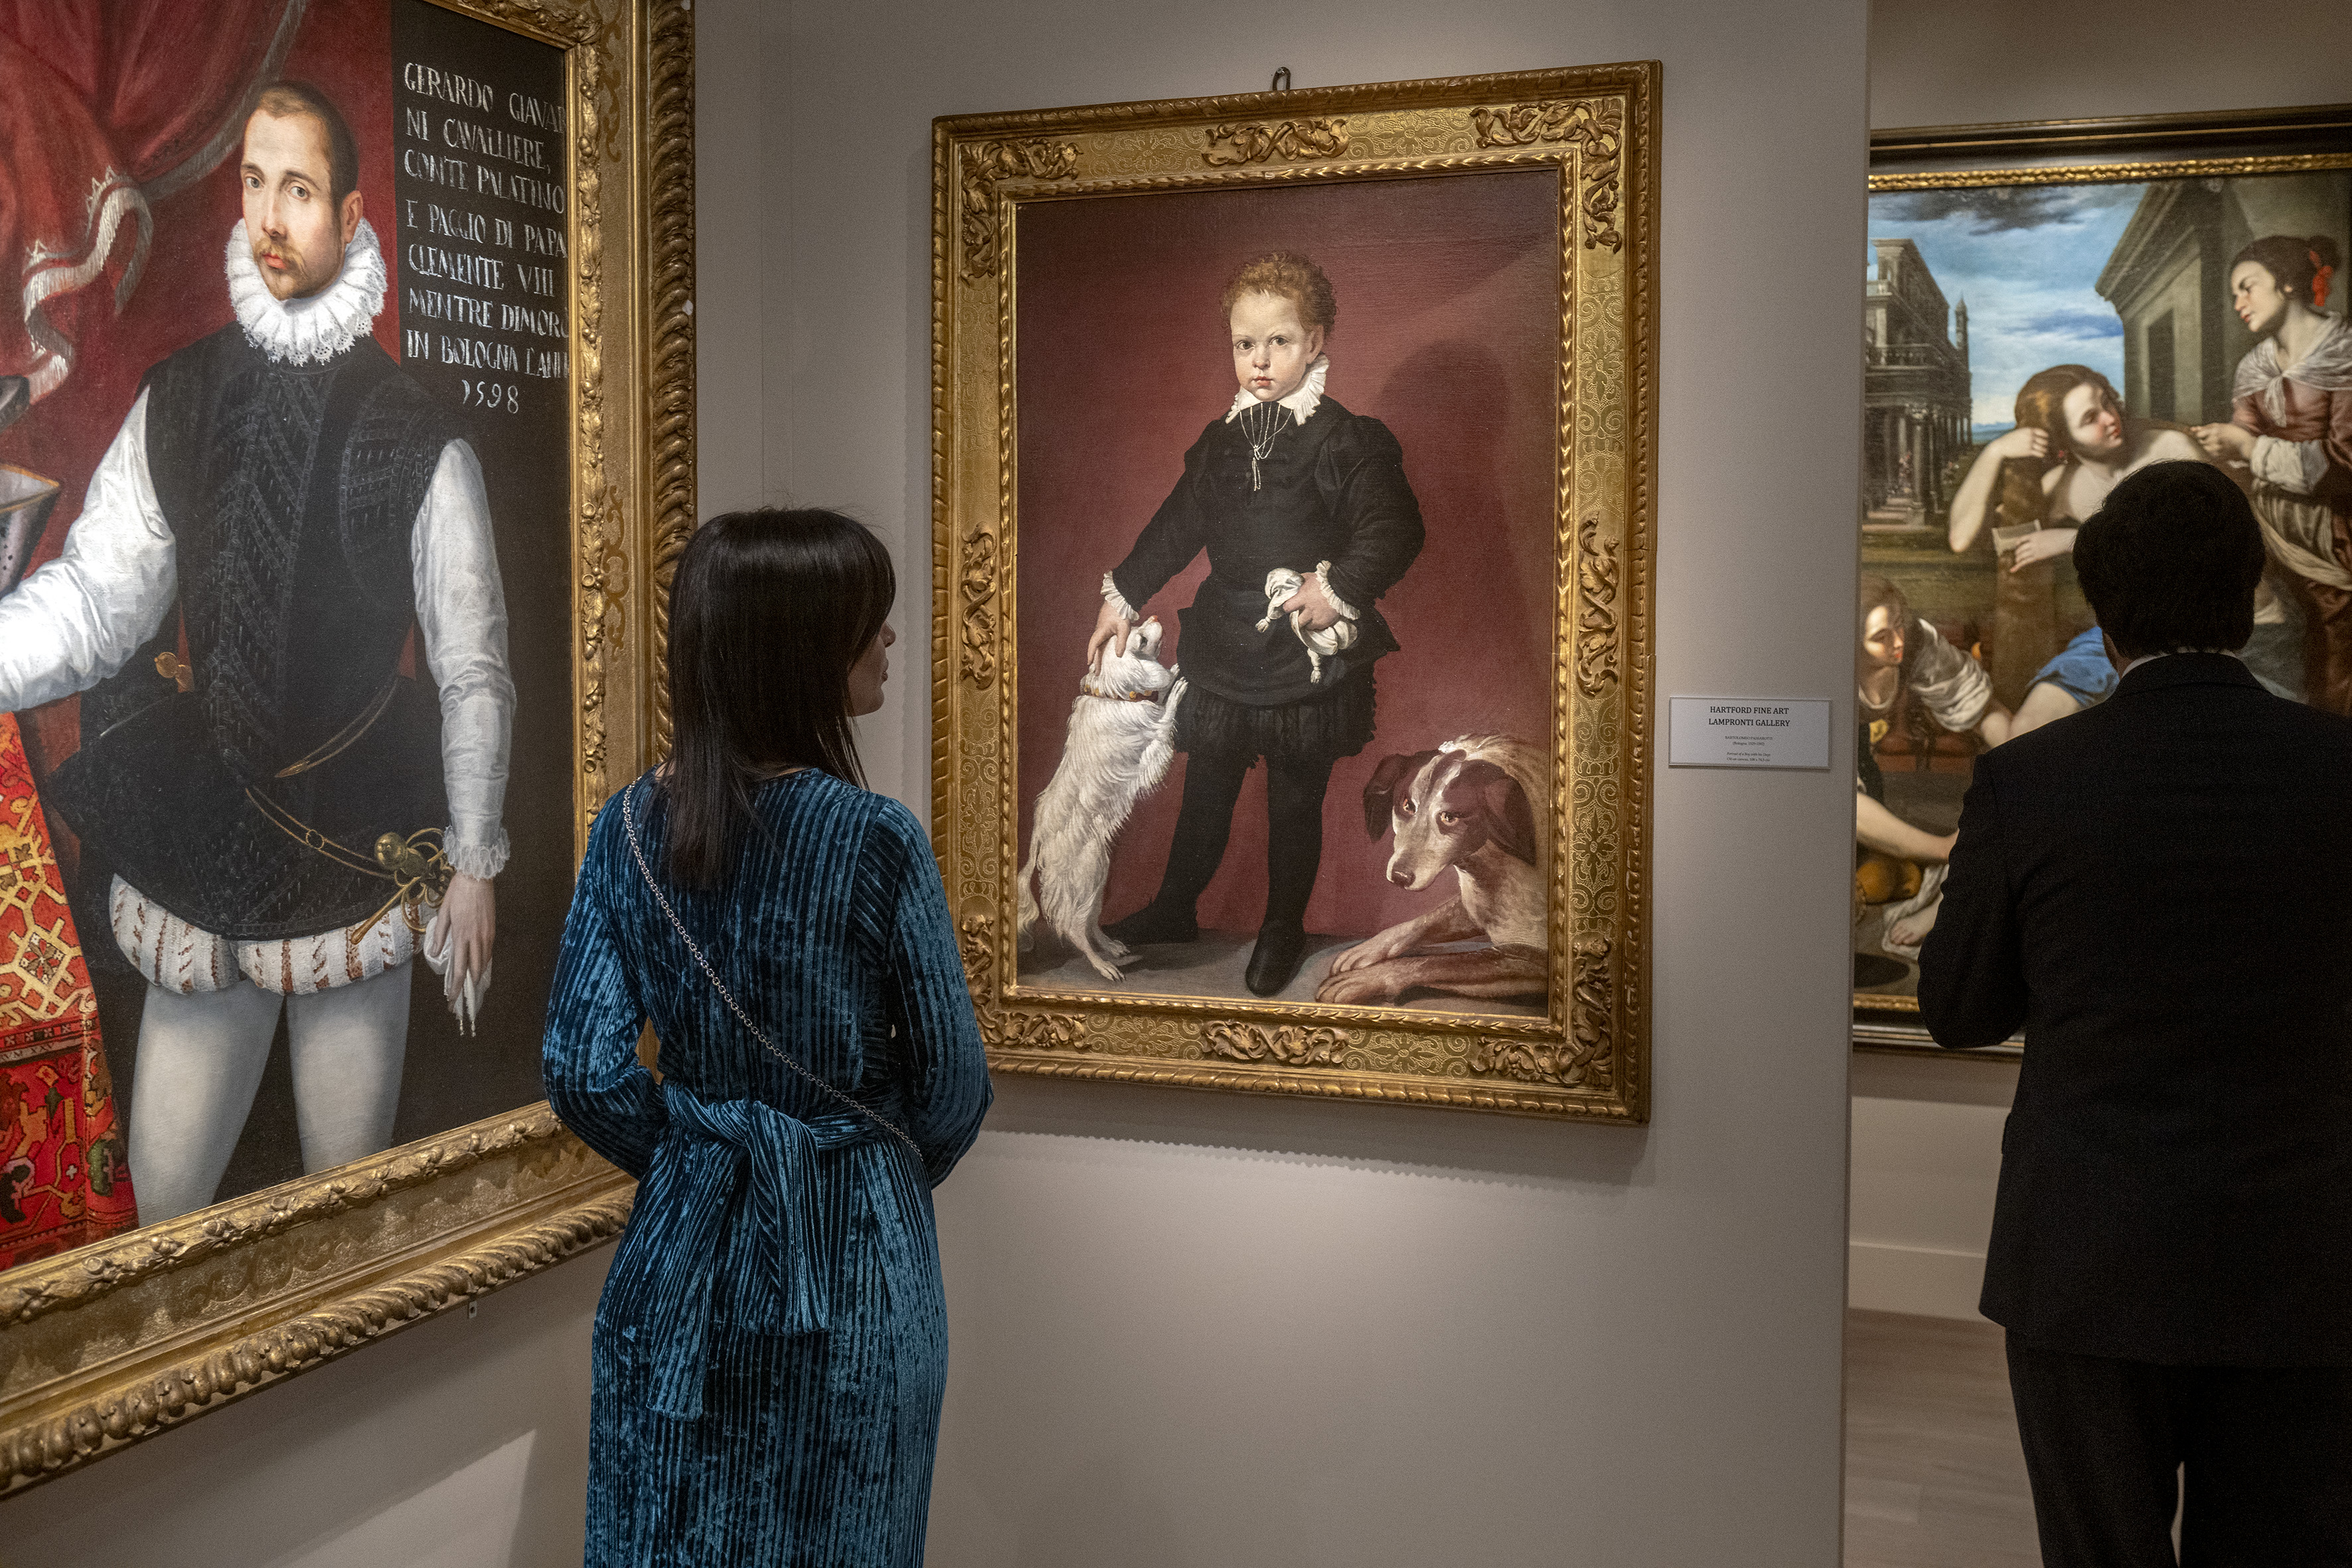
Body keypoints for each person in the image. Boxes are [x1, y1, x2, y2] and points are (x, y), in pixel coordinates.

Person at [0, 82, 509, 1223]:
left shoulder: (416, 431)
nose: (270, 218)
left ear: (351, 212)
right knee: (165, 1219)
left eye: (299, 191)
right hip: (211, 829)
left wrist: (476, 860)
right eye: (254, 183)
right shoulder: (180, 394)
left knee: (345, 1213)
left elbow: (473, 667)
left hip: (355, 837)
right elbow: (94, 604)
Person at [1919, 460, 2352, 1563]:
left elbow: (1958, 1007)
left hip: (2087, 1253)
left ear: (2101, 614)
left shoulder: (2029, 782)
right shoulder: (2336, 769)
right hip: (2303, 1248)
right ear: (2245, 594)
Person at [544, 509, 992, 1565]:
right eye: (868, 622)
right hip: (854, 1264)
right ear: (802, 649)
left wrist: (709, 1155)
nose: (888, 639)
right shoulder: (876, 838)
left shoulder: (626, 830)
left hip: (682, 1253)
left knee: (670, 1533)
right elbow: (952, 1085)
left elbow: (582, 1071)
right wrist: (848, 1166)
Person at [1086, 251, 1425, 995]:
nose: (1261, 360)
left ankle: (1281, 926)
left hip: (1301, 651)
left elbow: (1396, 528)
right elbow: (1177, 528)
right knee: (1206, 784)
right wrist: (1122, 597)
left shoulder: (1346, 439)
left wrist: (1336, 589)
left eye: (1279, 341)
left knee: (1294, 799)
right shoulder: (1221, 442)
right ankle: (1177, 906)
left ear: (1316, 341)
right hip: (1225, 639)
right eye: (1245, 344)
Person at [1946, 364, 2218, 729]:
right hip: (2122, 637)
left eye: (2107, 402)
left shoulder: (2169, 449)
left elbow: (2202, 544)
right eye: (2091, 418)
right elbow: (1961, 538)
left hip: (2205, 629)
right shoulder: (2065, 485)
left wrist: (2073, 540)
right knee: (2026, 729)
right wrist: (1993, 453)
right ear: (2065, 439)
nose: (2110, 418)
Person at [2193, 234, 2351, 712]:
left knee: (2333, 670)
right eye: (2233, 294)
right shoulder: (2254, 367)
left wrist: (2248, 447)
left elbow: (2346, 463)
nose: (2238, 303)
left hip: (2335, 539)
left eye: (2247, 287)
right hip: (2269, 535)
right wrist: (2224, 445)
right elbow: (2243, 442)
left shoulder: (2345, 350)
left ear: (2286, 283)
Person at [1853, 574, 2009, 953]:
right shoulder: (1824, 671)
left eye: (1899, 625)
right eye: (1880, 637)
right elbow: (1841, 804)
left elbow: (1977, 705)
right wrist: (1945, 849)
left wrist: (2019, 760)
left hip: (1872, 781)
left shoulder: (1916, 643)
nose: (1898, 642)